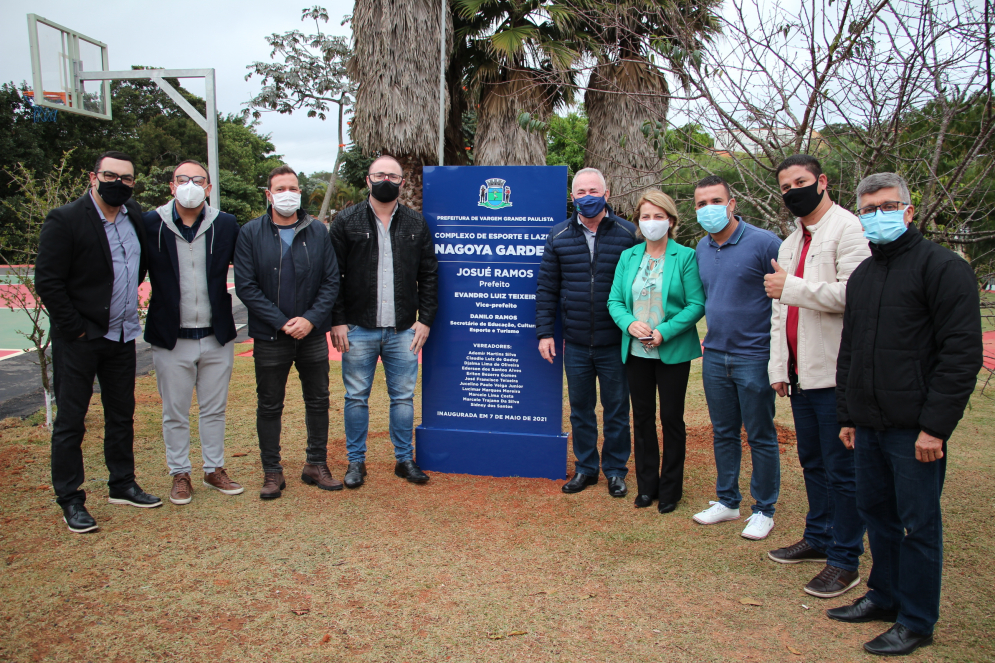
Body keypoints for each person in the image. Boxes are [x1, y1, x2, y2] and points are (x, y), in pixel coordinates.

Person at [829, 172, 982, 657]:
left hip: (915, 429)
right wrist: (848, 414)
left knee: (918, 524)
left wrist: (936, 426)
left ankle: (916, 620)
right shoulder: (865, 275)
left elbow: (961, 355)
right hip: (869, 425)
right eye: (869, 209)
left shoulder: (942, 269)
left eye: (888, 206)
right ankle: (884, 594)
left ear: (909, 211)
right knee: (877, 514)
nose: (878, 216)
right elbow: (850, 350)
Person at [35, 150, 162, 533]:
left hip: (122, 335)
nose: (118, 183)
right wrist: (76, 328)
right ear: (94, 177)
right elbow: (48, 281)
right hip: (81, 338)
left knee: (121, 414)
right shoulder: (66, 219)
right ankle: (71, 499)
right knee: (72, 421)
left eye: (126, 179)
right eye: (111, 175)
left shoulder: (135, 216)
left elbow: (138, 267)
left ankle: (122, 483)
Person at [764, 154, 872, 598]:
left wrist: (793, 287)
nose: (794, 192)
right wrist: (778, 366)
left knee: (842, 469)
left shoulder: (848, 229)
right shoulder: (791, 240)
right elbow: (779, 312)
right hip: (799, 370)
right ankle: (819, 535)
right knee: (812, 461)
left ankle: (845, 559)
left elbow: (856, 294)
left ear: (822, 181)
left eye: (801, 182)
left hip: (835, 373)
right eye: (786, 187)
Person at [329, 155, 438, 488]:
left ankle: (404, 460)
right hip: (358, 328)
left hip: (403, 328)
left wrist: (425, 320)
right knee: (356, 397)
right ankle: (356, 463)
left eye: (393, 175)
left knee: (403, 398)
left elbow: (429, 275)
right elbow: (331, 275)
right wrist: (337, 320)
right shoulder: (345, 221)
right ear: (368, 180)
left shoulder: (416, 224)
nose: (386, 180)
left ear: (402, 182)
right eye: (380, 174)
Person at [234, 165, 341, 499]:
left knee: (318, 399)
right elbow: (246, 287)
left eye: (293, 188)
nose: (288, 194)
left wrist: (310, 320)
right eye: (280, 189)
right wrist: (281, 321)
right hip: (270, 336)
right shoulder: (250, 233)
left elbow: (330, 280)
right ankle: (272, 471)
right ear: (269, 194)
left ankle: (316, 464)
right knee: (269, 404)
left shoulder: (318, 231)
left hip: (311, 334)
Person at [143, 160, 243, 506]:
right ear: (171, 186)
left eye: (198, 180)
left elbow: (245, 270)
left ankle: (214, 468)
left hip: (216, 336)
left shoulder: (226, 224)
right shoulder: (150, 223)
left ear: (209, 188)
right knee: (175, 411)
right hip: (171, 336)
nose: (190, 185)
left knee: (214, 409)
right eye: (182, 179)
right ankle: (180, 473)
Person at [536, 168, 637, 497]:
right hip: (576, 342)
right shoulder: (559, 235)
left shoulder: (628, 234)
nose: (587, 197)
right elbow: (547, 288)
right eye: (580, 192)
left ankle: (616, 470)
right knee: (581, 409)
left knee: (617, 410)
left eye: (593, 190)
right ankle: (586, 468)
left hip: (615, 342)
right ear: (573, 196)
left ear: (607, 195)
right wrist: (544, 333)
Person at [692, 175, 782, 540]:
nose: (708, 208)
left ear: (732, 204)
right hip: (714, 355)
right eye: (700, 204)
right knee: (724, 432)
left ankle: (764, 509)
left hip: (754, 356)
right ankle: (727, 501)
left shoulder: (764, 243)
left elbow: (786, 296)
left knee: (760, 434)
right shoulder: (701, 247)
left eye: (715, 201)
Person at [607, 190, 705, 513]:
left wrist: (664, 331)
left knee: (672, 419)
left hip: (672, 351)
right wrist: (630, 324)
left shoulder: (686, 257)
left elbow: (696, 305)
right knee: (643, 418)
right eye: (645, 216)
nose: (652, 222)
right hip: (636, 352)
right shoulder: (629, 257)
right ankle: (647, 486)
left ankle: (671, 489)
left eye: (658, 216)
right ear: (638, 221)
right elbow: (615, 302)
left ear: (671, 221)